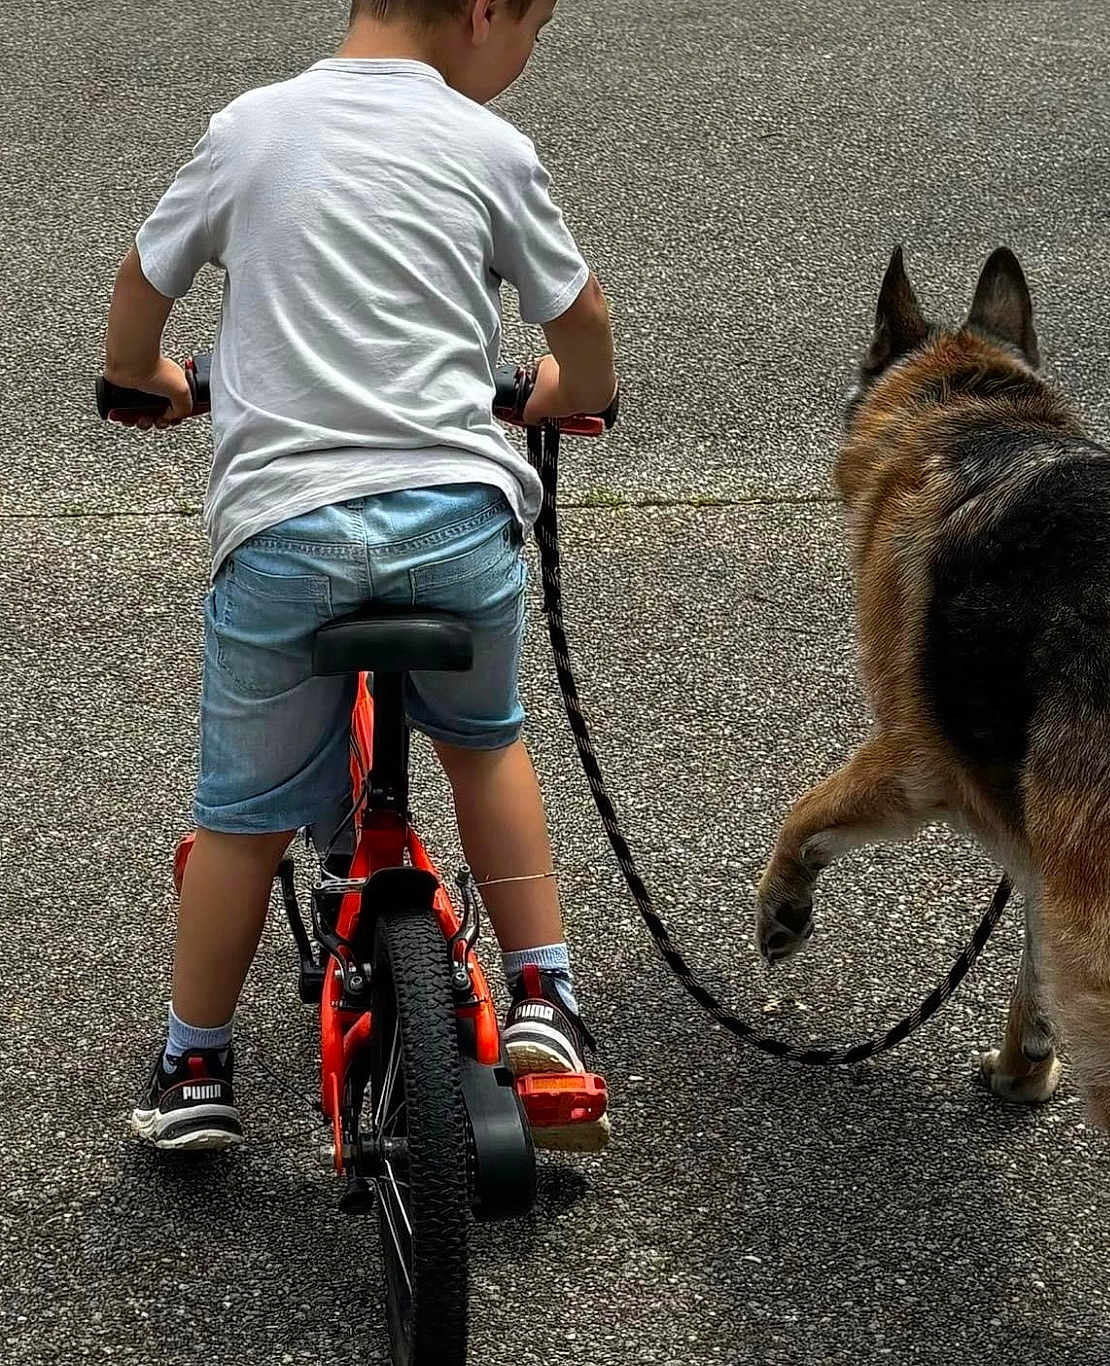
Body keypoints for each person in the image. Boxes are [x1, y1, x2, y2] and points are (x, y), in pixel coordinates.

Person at [102, 0, 617, 1153]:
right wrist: (560, 391)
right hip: (456, 525)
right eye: (533, 28)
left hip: (287, 534)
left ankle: (195, 1065)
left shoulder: (251, 127)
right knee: (484, 741)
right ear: (485, 11)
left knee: (240, 819)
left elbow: (143, 286)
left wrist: (147, 376)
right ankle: (546, 995)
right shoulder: (490, 148)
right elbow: (580, 321)